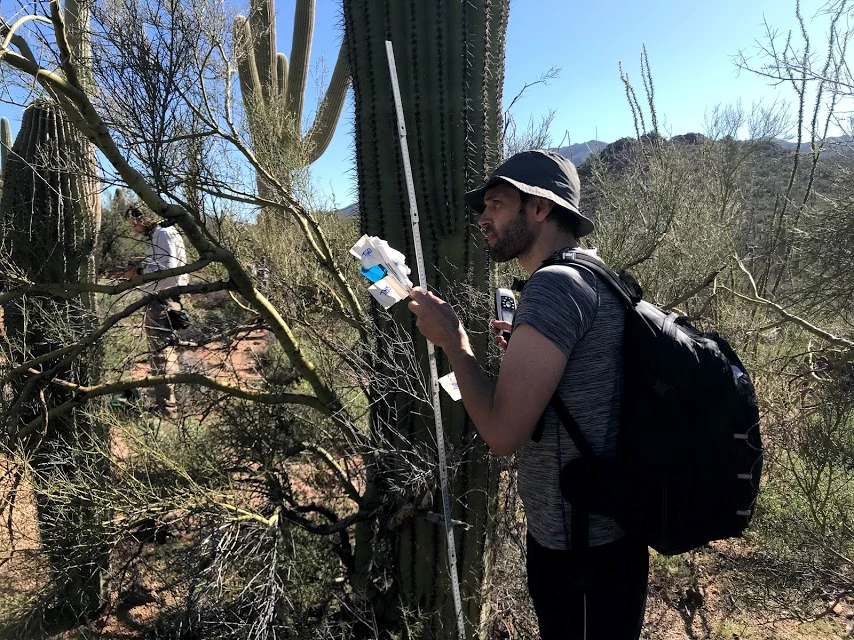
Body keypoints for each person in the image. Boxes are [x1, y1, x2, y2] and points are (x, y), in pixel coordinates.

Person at [408, 150, 649, 639]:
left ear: (539, 208)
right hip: (612, 535)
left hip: (578, 552)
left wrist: (454, 342)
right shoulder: (596, 275)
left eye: (496, 203)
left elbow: (501, 434)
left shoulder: (555, 288)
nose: (482, 218)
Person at [122, 206, 189, 420]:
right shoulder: (159, 234)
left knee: (162, 355)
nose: (134, 230)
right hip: (163, 298)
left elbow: (167, 270)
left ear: (144, 218)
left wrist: (137, 273)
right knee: (162, 354)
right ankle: (167, 406)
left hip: (163, 299)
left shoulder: (163, 233)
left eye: (135, 224)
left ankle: (167, 411)